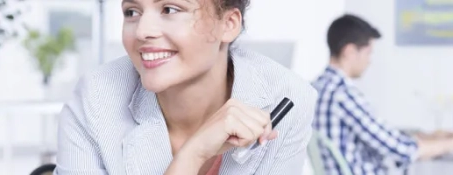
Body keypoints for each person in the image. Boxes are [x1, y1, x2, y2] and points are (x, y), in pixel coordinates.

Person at [55, 0, 317, 174]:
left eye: (169, 9)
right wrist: (192, 155)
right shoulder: (96, 98)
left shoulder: (286, 97)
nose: (142, 31)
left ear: (228, 25)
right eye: (132, 12)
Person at [312, 14, 453, 175]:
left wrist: (430, 136)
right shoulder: (343, 95)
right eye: (368, 52)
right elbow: (402, 149)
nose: (369, 60)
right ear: (349, 51)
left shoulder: (316, 88)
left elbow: (380, 136)